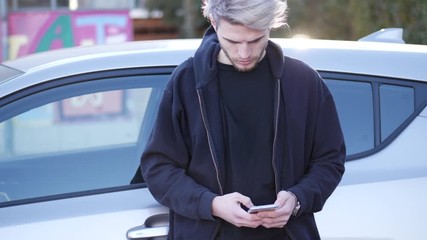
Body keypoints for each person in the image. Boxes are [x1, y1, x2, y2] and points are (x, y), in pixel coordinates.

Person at [140, 0, 346, 239]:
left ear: (270, 26)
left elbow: (330, 160)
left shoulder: (303, 81)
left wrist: (298, 198)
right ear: (214, 24)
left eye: (256, 40)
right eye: (234, 42)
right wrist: (212, 204)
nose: (245, 53)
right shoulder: (186, 81)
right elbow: (159, 168)